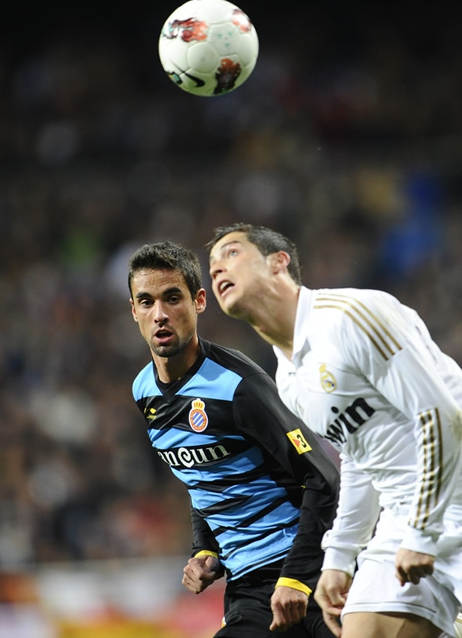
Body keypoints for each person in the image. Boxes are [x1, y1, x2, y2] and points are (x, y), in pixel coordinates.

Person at [207, 223, 462, 638]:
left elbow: (440, 415)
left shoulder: (351, 317)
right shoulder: (288, 380)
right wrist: (339, 559)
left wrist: (422, 530)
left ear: (278, 263)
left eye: (231, 254)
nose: (217, 269)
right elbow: (361, 461)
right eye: (212, 265)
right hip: (406, 520)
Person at [128, 240, 340, 637]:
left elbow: (323, 477)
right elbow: (203, 479)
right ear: (133, 310)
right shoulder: (144, 391)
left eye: (173, 298)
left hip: (306, 569)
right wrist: (204, 549)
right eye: (147, 301)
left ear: (199, 301)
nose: (160, 314)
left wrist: (295, 577)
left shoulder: (239, 387)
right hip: (248, 587)